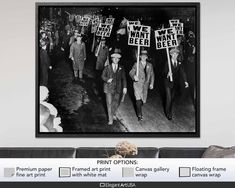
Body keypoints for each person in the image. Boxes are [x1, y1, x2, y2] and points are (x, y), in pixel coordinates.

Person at [102, 48, 127, 125]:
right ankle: (110, 119)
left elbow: (124, 78)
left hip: (118, 89)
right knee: (109, 104)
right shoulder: (107, 67)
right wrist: (107, 79)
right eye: (114, 58)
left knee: (116, 103)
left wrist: (125, 87)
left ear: (119, 60)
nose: (116, 59)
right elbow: (102, 76)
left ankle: (112, 114)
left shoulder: (121, 68)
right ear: (112, 59)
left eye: (117, 58)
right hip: (108, 88)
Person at [129, 50, 154, 121]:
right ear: (140, 56)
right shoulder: (136, 64)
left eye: (145, 56)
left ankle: (140, 104)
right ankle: (139, 115)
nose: (143, 57)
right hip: (137, 84)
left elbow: (152, 74)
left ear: (147, 57)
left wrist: (151, 83)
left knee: (143, 100)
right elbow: (131, 72)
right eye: (142, 56)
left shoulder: (150, 65)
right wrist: (134, 76)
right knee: (138, 99)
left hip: (145, 85)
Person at [164, 48, 189, 120]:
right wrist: (167, 74)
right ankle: (168, 113)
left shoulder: (179, 63)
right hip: (167, 83)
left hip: (175, 83)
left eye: (176, 54)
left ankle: (170, 111)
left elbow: (183, 72)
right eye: (173, 54)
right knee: (168, 98)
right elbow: (163, 72)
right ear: (170, 54)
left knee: (172, 99)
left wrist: (185, 81)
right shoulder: (167, 63)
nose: (175, 55)